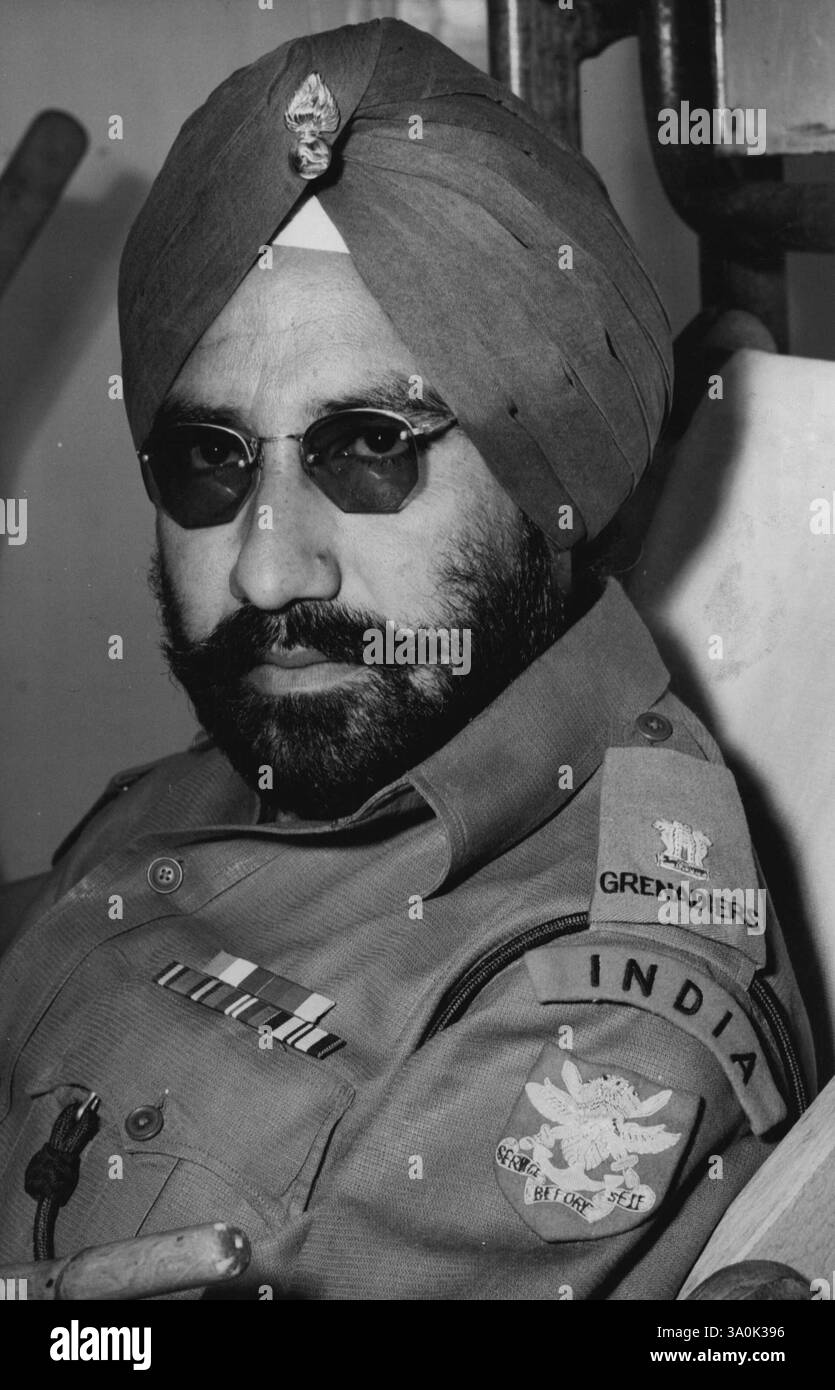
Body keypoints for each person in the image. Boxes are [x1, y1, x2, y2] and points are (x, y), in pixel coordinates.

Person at [0, 18, 814, 1300]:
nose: (270, 571)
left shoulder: (591, 1017)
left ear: (545, 482)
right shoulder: (290, 744)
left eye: (368, 446)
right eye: (212, 459)